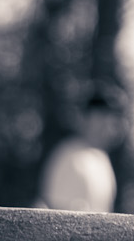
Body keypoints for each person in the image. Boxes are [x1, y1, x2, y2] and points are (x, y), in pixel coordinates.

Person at [35, 83, 127, 214]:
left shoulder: (101, 159)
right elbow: (52, 214)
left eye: (111, 120)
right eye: (99, 118)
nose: (106, 127)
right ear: (83, 118)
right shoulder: (70, 158)